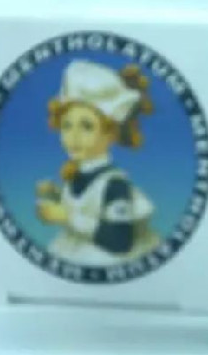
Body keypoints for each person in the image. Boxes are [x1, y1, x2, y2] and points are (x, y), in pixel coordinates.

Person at [36, 59, 159, 266]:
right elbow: (86, 205)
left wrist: (66, 217)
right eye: (67, 126)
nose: (73, 136)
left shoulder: (115, 185)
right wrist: (55, 194)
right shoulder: (77, 174)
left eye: (86, 127)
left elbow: (119, 241)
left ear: (110, 133)